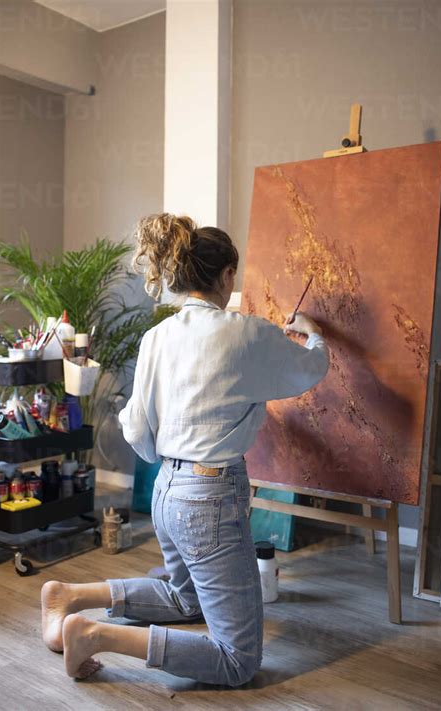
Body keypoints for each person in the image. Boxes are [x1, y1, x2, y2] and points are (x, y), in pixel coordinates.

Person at [41, 213, 329, 685]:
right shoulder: (248, 332)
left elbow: (135, 423)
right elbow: (310, 369)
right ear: (228, 276)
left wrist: (172, 462)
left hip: (166, 493)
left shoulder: (157, 336)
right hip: (209, 499)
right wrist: (313, 333)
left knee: (185, 598)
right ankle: (95, 634)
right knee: (238, 661)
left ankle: (69, 594)